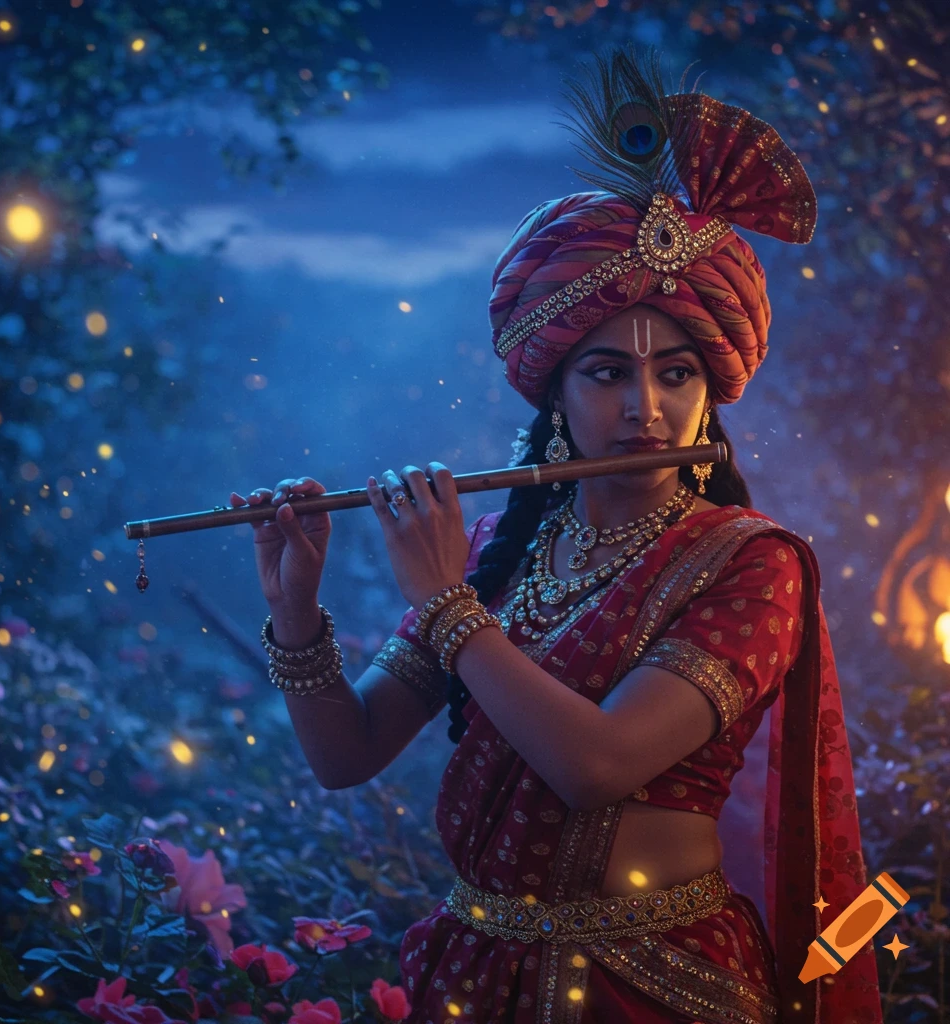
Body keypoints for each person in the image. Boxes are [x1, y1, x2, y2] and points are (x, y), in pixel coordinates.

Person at [229, 46, 883, 1024]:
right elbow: (347, 752)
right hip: (476, 974)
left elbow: (600, 764)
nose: (645, 407)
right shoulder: (505, 545)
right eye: (607, 373)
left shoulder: (752, 563)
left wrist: (445, 604)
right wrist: (295, 611)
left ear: (712, 392)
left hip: (657, 983)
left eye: (676, 375)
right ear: (555, 395)